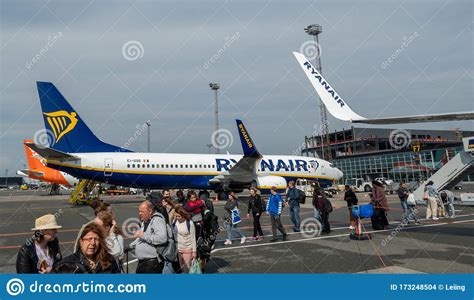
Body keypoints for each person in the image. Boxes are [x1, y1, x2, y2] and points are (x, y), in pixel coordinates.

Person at [128, 200, 168, 273]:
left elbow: (162, 238)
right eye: (139, 211)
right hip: (143, 263)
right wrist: (130, 246)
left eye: (142, 211)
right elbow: (141, 238)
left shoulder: (157, 220)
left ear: (150, 211)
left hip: (152, 264)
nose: (139, 213)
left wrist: (142, 235)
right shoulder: (145, 221)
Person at [173, 206, 197, 273]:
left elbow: (193, 238)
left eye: (179, 216)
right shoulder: (174, 221)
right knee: (180, 268)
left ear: (183, 215)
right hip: (177, 248)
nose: (177, 218)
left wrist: (194, 252)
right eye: (176, 216)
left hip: (187, 248)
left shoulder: (190, 223)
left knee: (187, 268)